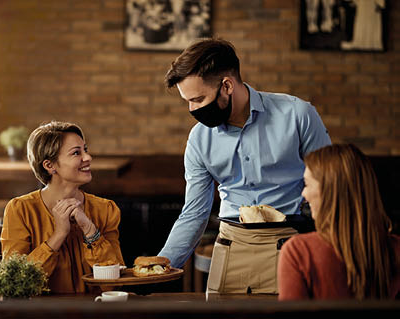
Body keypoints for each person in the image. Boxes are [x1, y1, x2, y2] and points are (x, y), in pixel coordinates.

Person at [158, 38, 331, 294]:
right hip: (230, 247)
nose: (192, 109)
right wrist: (160, 267)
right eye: (188, 102)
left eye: (197, 99)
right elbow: (194, 212)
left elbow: (333, 188)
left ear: (226, 85)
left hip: (293, 246)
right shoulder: (199, 139)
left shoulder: (298, 115)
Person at [1, 121, 124, 293]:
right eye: (76, 153)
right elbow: (15, 284)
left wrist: (90, 231)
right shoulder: (20, 210)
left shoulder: (106, 210)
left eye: (85, 150)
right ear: (49, 166)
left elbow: (114, 284)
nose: (88, 158)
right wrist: (58, 235)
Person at [278, 144, 400, 300]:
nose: (304, 193)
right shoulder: (396, 250)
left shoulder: (299, 252)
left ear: (330, 192)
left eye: (307, 184)